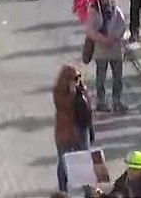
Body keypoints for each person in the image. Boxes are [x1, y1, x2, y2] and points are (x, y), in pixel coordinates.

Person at [85, 0, 128, 112]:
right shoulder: (94, 11)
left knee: (118, 77)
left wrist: (114, 37)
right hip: (101, 49)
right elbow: (90, 30)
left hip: (115, 48)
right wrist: (103, 39)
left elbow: (123, 25)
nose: (107, 0)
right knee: (101, 78)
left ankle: (117, 100)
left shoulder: (116, 10)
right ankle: (101, 101)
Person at [53, 64, 94, 195]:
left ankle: (88, 192)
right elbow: (64, 108)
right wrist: (71, 93)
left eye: (78, 78)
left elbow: (88, 110)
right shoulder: (59, 92)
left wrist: (91, 129)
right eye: (73, 78)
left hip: (82, 129)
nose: (76, 81)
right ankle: (63, 191)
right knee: (64, 162)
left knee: (85, 162)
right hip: (66, 131)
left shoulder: (82, 90)